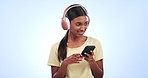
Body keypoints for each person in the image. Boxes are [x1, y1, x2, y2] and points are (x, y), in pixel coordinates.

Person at [47, 4, 104, 78]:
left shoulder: (95, 43)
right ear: (67, 24)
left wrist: (91, 61)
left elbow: (99, 76)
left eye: (85, 24)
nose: (83, 28)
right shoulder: (56, 47)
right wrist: (65, 63)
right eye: (78, 24)